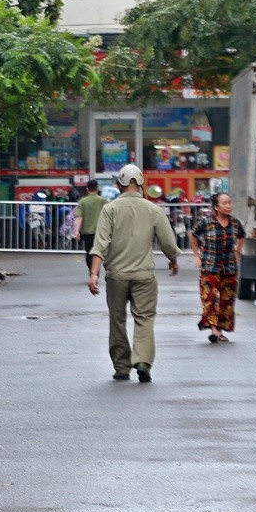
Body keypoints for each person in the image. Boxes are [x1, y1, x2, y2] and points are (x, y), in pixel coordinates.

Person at [87, 164, 180, 383]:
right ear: (140, 183)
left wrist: (93, 274)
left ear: (119, 184)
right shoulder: (152, 209)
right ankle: (143, 361)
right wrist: (173, 260)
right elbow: (167, 242)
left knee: (117, 320)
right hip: (144, 276)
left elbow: (100, 244)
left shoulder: (110, 209)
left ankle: (121, 367)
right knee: (144, 318)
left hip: (116, 276)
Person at [190, 191, 246, 343]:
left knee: (226, 301)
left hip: (229, 267)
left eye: (229, 202)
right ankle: (214, 330)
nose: (228, 206)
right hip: (210, 266)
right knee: (210, 298)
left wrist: (238, 250)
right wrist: (196, 255)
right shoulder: (207, 222)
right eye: (224, 203)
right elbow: (193, 235)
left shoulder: (235, 223)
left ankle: (220, 330)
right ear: (216, 207)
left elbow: (242, 235)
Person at [71, 182, 106, 269]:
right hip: (100, 232)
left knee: (89, 253)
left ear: (87, 189)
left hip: (87, 232)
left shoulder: (82, 201)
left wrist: (76, 231)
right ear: (97, 188)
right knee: (98, 253)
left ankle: (92, 271)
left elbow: (79, 217)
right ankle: (96, 270)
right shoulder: (103, 201)